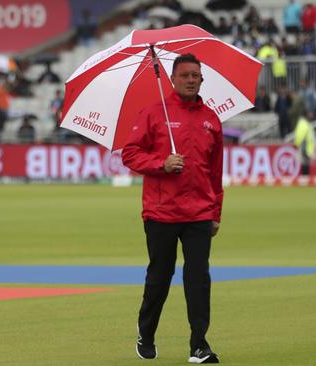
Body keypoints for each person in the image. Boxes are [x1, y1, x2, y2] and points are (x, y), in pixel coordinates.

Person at [122, 53, 223, 364]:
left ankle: (199, 346)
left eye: (196, 75)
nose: (191, 80)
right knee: (159, 277)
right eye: (185, 75)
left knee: (198, 278)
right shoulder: (153, 113)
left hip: (199, 214)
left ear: (202, 78)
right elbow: (129, 154)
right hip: (161, 212)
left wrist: (216, 212)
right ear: (172, 79)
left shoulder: (211, 119)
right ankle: (146, 333)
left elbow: (215, 172)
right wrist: (161, 164)